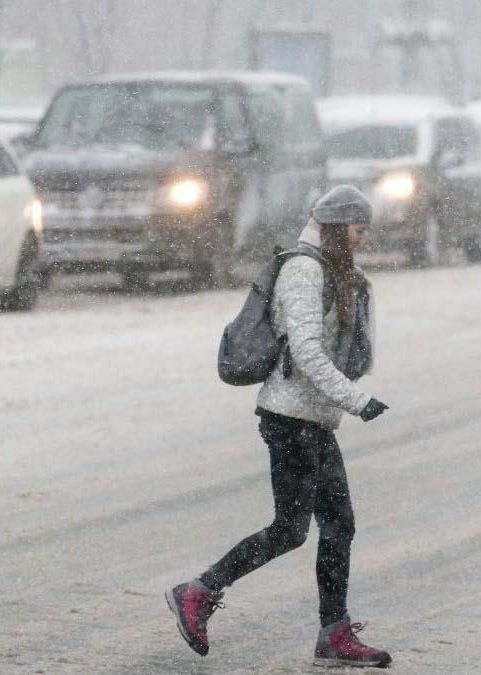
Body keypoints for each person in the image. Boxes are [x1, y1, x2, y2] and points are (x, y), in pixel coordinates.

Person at [167, 185, 392, 669]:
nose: (362, 239)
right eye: (358, 230)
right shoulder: (303, 271)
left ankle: (333, 633)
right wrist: (357, 400)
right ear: (338, 229)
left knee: (338, 525)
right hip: (290, 421)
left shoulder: (334, 271)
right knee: (290, 529)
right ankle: (198, 590)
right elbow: (306, 351)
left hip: (313, 421)